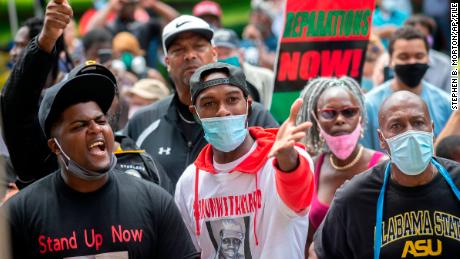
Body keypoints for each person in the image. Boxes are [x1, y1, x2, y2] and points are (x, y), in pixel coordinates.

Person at [1, 61, 198, 258]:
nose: (96, 129)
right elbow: (14, 107)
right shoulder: (19, 214)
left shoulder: (156, 201)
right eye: (80, 125)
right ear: (55, 146)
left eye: (101, 121)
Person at [1, 0, 173, 193]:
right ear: (55, 144)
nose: (92, 117)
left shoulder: (144, 164)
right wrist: (46, 39)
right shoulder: (47, 167)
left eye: (103, 97)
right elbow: (15, 107)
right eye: (80, 121)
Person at [175, 62, 315, 258]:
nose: (223, 110)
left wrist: (287, 158)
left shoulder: (283, 161)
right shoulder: (189, 182)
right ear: (195, 114)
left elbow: (298, 196)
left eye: (232, 99)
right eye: (209, 103)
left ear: (248, 105)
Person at [125, 15, 278, 186]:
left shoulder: (253, 115)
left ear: (214, 54)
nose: (190, 55)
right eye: (178, 50)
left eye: (199, 46)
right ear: (167, 61)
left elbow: (280, 175)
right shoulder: (143, 122)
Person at [313, 91, 460, 258]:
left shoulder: (457, 180)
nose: (410, 133)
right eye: (397, 126)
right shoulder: (354, 198)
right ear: (381, 138)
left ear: (432, 129)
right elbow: (319, 253)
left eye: (418, 123)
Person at [297, 77, 387, 250]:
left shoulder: (382, 167)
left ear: (360, 118)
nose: (339, 119)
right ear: (316, 121)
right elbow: (307, 238)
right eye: (329, 113)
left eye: (349, 112)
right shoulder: (311, 168)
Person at [361, 26, 451, 151]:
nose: (412, 62)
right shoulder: (369, 105)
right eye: (404, 57)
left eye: (419, 56)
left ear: (428, 58)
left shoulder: (447, 103)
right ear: (391, 60)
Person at [214, 28, 274, 109]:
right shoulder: (208, 81)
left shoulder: (265, 77)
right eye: (217, 54)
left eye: (227, 53)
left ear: (241, 54)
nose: (222, 58)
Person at [404, 14, 451, 93]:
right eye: (414, 37)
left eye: (424, 37)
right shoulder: (398, 63)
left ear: (431, 39)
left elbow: (455, 95)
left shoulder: (445, 63)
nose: (419, 42)